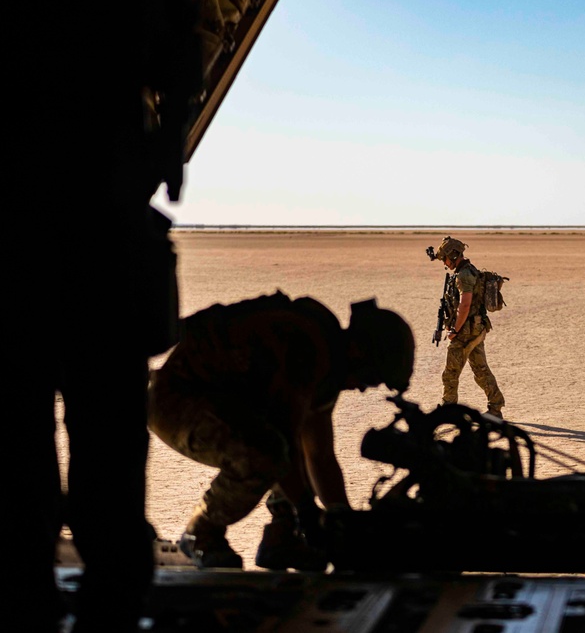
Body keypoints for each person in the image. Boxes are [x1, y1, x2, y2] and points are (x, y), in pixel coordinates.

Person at [13, 0, 203, 630]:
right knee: (105, 425)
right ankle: (112, 594)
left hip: (74, 211)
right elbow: (182, 50)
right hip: (102, 205)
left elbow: (179, 51)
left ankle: (53, 589)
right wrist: (164, 147)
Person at [147, 293, 415, 570]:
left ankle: (281, 539)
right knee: (266, 454)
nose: (362, 388)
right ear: (358, 351)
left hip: (217, 401)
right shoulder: (307, 349)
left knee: (281, 454)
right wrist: (309, 515)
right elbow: (285, 444)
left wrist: (341, 517)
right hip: (175, 401)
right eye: (370, 378)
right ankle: (199, 534)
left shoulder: (326, 365)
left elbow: (319, 456)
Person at [432, 236, 506, 418]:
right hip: (475, 329)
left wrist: (454, 330)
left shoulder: (464, 275)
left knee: (450, 373)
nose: (445, 263)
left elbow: (465, 305)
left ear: (454, 255)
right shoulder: (468, 271)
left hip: (465, 332)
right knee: (481, 370)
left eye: (446, 259)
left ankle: (448, 409)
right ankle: (496, 407)